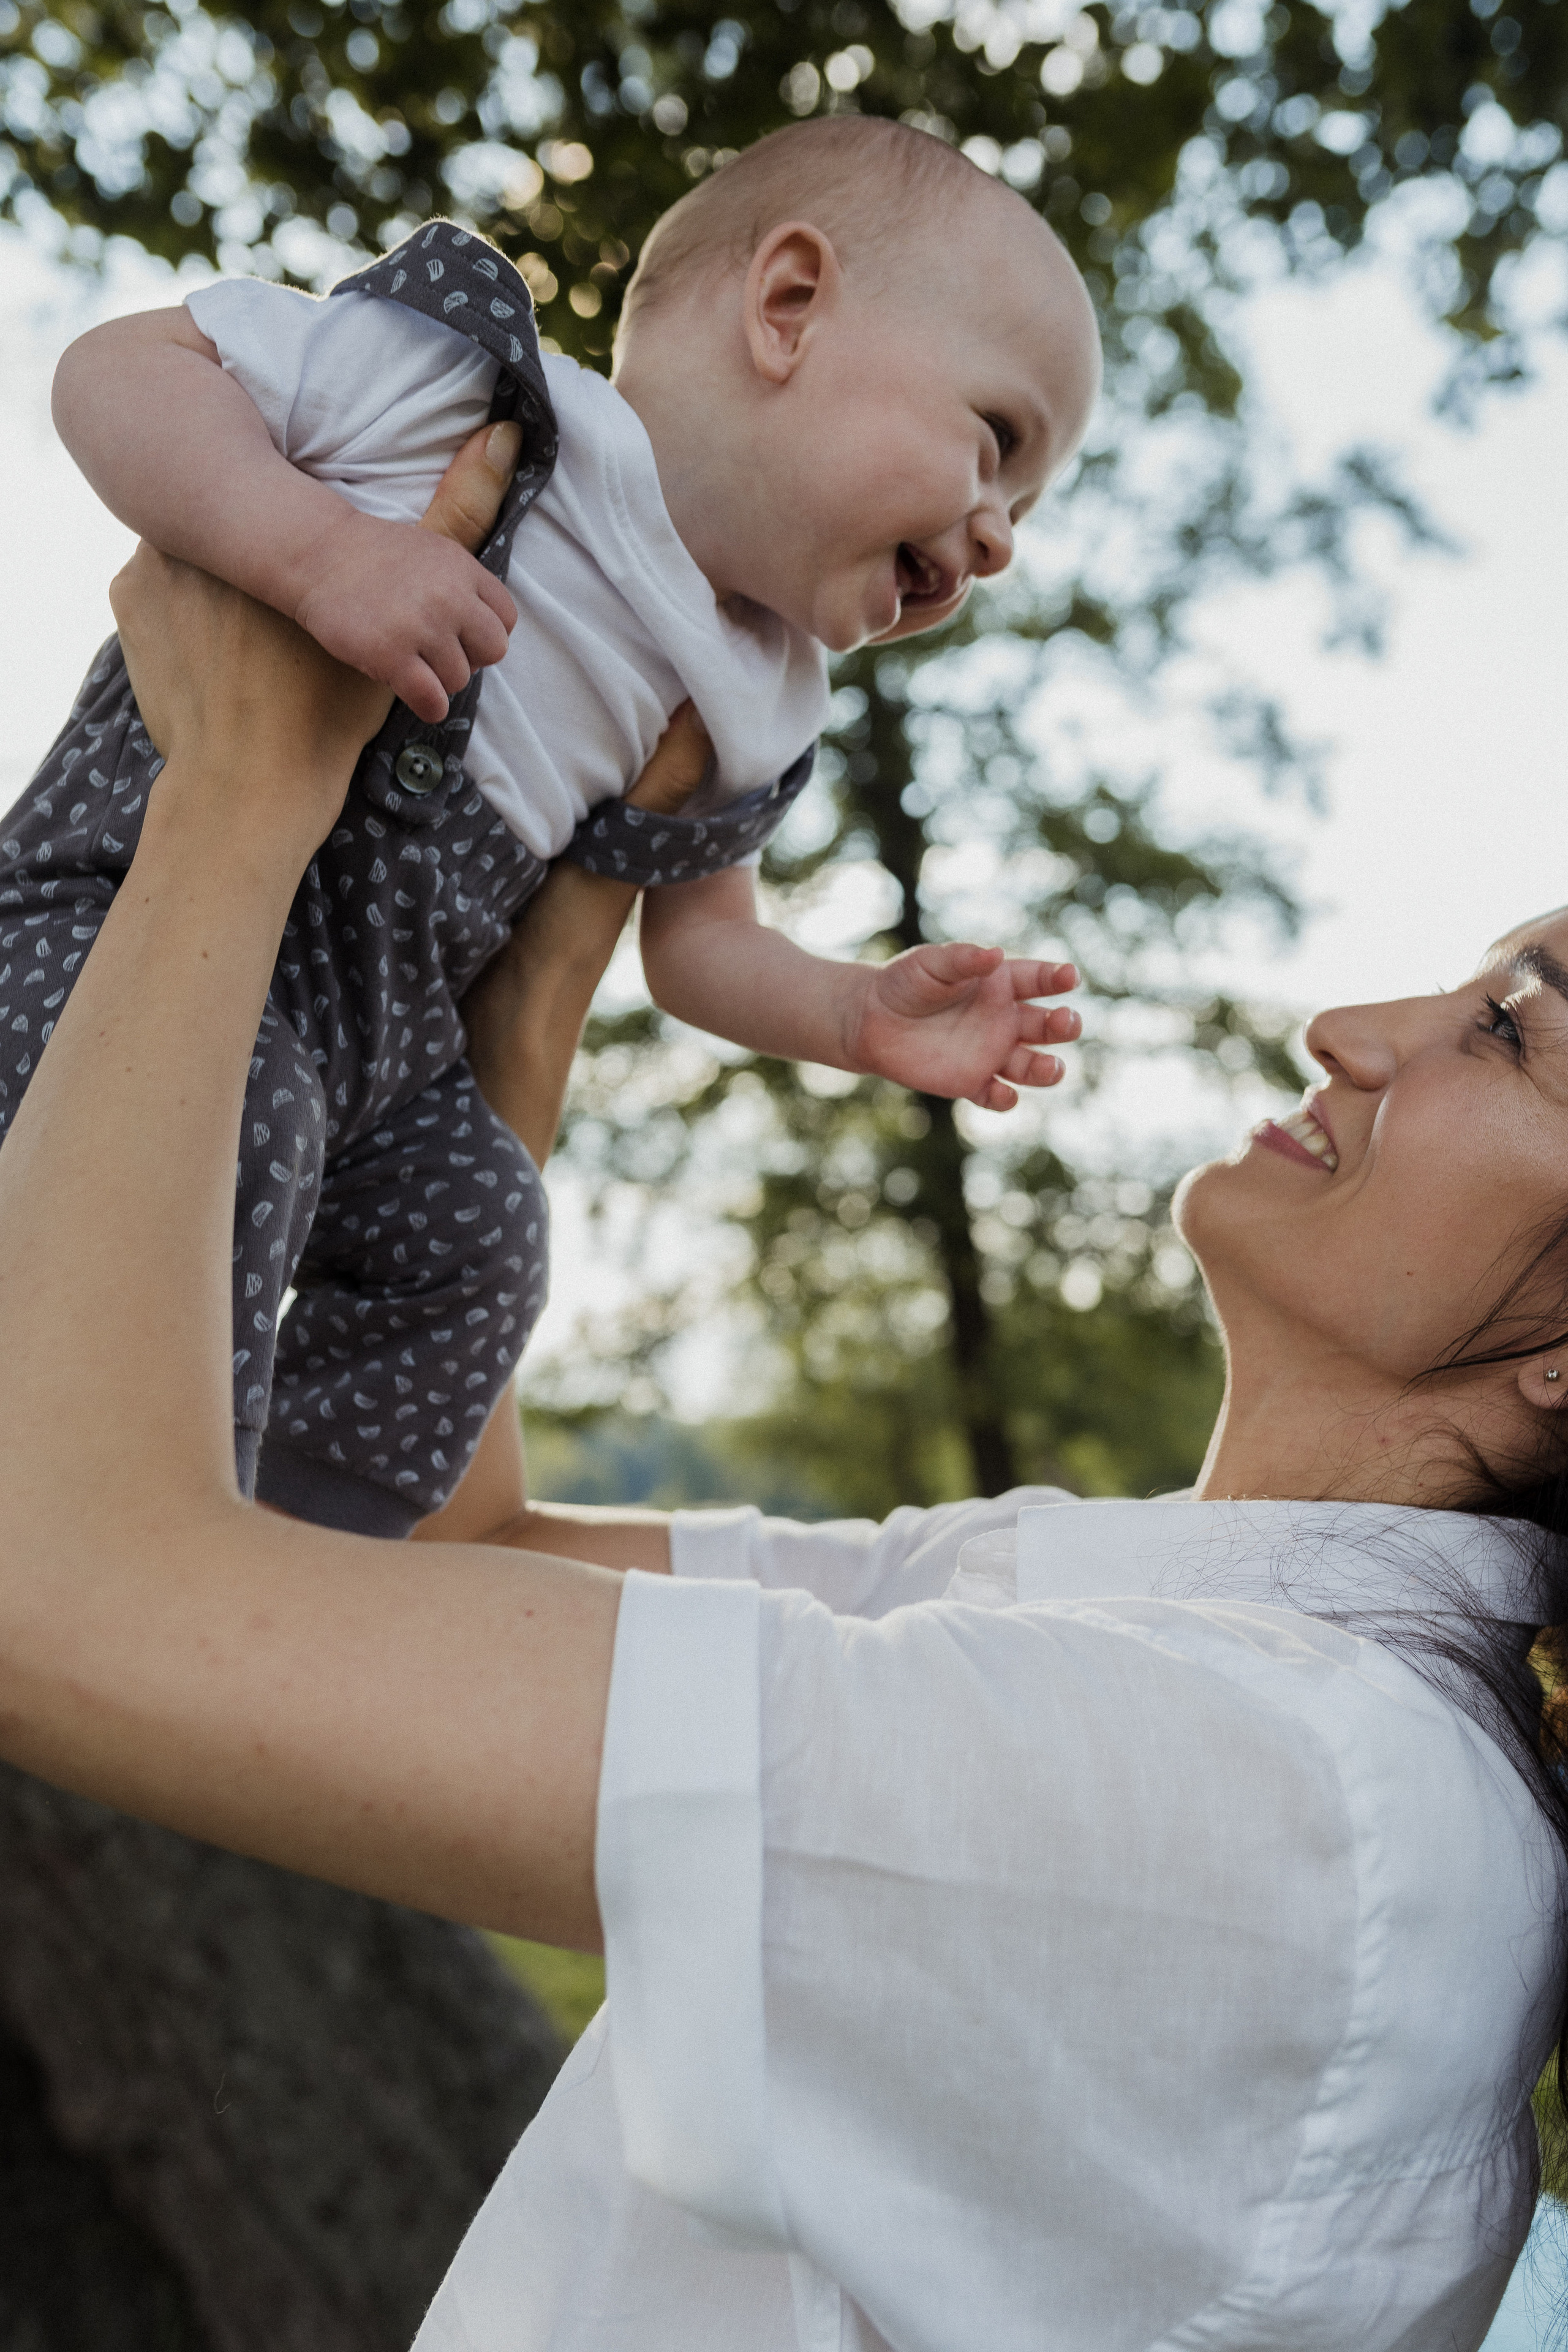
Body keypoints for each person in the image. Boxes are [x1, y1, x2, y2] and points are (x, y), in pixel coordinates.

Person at [1, 562, 1565, 2352]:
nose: (1351, 1032)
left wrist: (238, 798)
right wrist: (565, 949)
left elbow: (58, 1583)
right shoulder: (1121, 1607)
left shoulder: (1282, 1796)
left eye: (1512, 1033)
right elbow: (446, 1541)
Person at [0, 116, 1095, 1541]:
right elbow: (122, 371)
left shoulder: (753, 694)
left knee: (482, 1231)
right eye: (996, 442)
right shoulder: (472, 396)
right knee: (243, 1120)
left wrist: (851, 1014)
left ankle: (304, 1562)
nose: (1001, 536)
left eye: (1022, 506)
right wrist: (315, 547)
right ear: (787, 309)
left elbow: (702, 945)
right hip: (95, 934)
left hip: (374, 1062)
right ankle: (116, 1533)